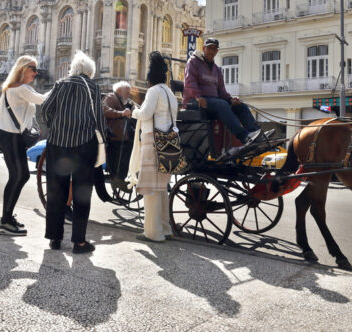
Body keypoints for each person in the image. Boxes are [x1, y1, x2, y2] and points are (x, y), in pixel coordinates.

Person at [41, 51, 105, 254]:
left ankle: (55, 238)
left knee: (56, 192)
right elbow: (99, 119)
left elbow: (44, 110)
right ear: (89, 72)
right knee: (82, 193)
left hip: (57, 145)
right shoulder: (93, 88)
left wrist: (55, 126)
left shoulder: (60, 84)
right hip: (84, 146)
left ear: (75, 69)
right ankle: (79, 242)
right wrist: (103, 141)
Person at [0, 55, 49, 236]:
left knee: (18, 176)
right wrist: (60, 87)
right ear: (22, 69)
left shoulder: (9, 88)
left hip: (6, 134)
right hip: (11, 136)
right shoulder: (22, 88)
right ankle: (5, 220)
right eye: (33, 69)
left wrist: (19, 116)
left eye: (36, 69)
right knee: (20, 175)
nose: (36, 73)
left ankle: (7, 218)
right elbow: (43, 100)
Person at [183, 37, 266, 154]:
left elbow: (221, 91)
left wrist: (231, 99)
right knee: (221, 104)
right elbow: (189, 82)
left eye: (214, 49)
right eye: (209, 48)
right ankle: (244, 137)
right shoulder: (193, 62)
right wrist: (197, 96)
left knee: (240, 106)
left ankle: (256, 134)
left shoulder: (216, 69)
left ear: (217, 51)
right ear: (203, 48)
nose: (212, 51)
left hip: (213, 101)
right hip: (195, 101)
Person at [127, 52, 176, 243]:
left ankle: (153, 232)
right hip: (169, 143)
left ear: (149, 79)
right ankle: (165, 228)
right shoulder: (170, 93)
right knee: (162, 188)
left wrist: (133, 112)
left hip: (153, 143)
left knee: (151, 190)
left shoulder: (154, 91)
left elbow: (146, 114)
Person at [102, 81, 136, 185]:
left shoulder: (124, 101)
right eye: (127, 92)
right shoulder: (111, 97)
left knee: (128, 156)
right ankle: (119, 180)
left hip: (123, 137)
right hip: (115, 137)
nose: (129, 94)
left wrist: (133, 109)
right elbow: (104, 110)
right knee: (119, 162)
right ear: (120, 91)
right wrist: (121, 113)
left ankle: (123, 179)